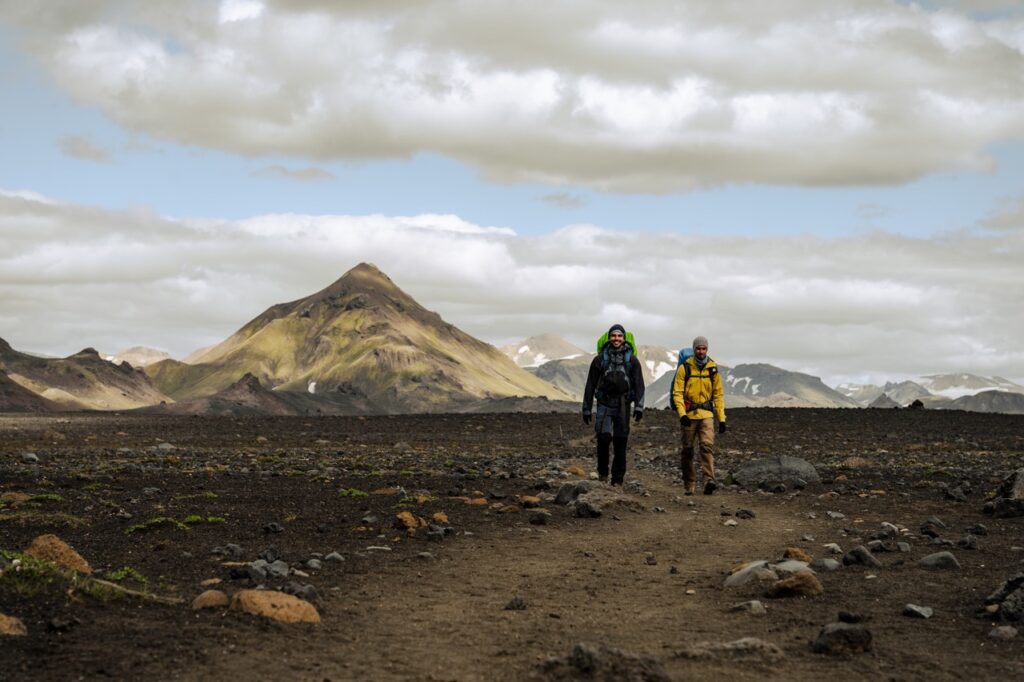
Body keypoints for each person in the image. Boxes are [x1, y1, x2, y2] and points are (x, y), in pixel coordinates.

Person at [582, 324, 645, 485]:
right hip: (604, 404)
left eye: (619, 336)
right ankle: (603, 473)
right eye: (613, 336)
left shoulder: (631, 360)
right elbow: (590, 384)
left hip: (623, 405)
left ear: (624, 339)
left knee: (620, 442)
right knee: (603, 438)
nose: (616, 339)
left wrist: (639, 406)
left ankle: (617, 480)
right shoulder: (599, 360)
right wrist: (586, 408)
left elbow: (639, 384)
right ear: (609, 338)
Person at [671, 335, 726, 495]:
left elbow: (718, 394)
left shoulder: (712, 368)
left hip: (707, 414)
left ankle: (709, 481)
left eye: (704, 348)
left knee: (706, 446)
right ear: (694, 349)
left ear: (707, 349)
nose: (701, 351)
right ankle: (690, 484)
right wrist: (682, 414)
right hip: (689, 415)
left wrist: (721, 418)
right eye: (698, 348)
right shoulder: (685, 368)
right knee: (687, 450)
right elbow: (678, 393)